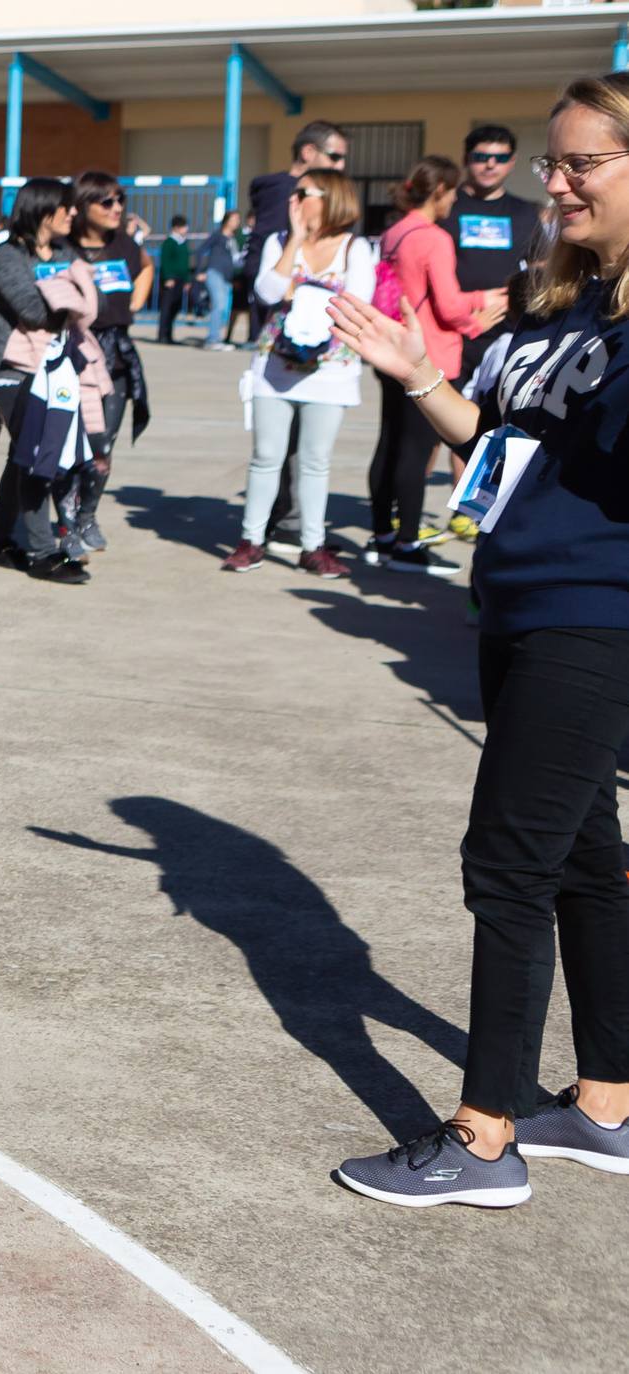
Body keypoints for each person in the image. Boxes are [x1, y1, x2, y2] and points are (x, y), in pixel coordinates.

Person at [324, 72, 629, 1208]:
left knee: (507, 867)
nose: (554, 183)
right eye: (553, 163)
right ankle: (606, 1105)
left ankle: (484, 1137)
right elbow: (499, 443)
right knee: (584, 859)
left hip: (597, 618)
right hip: (513, 600)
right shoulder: (558, 299)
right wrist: (416, 376)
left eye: (579, 164)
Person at [222, 169, 372, 579]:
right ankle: (251, 540)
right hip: (275, 366)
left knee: (314, 461)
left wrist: (302, 294)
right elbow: (267, 293)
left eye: (303, 192)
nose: (294, 198)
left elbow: (360, 302)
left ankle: (313, 546)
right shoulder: (278, 242)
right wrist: (297, 240)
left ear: (330, 198)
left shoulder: (354, 248)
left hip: (330, 369)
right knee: (266, 457)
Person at [364, 154, 505, 577]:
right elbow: (448, 303)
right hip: (428, 355)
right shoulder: (433, 237)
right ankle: (407, 543)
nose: (454, 202)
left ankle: (383, 536)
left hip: (392, 348)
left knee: (389, 443)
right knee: (416, 449)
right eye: (452, 192)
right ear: (440, 191)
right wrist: (485, 303)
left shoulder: (394, 232)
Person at [0, 177, 92, 583]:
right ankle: (43, 552)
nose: (73, 214)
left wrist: (74, 294)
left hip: (61, 369)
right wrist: (74, 293)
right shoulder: (6, 257)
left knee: (22, 458)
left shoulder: (65, 251)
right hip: (14, 374)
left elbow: (100, 298)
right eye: (67, 207)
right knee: (36, 459)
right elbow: (34, 311)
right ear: (44, 210)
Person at [61, 172, 151, 560]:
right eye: (107, 202)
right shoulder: (62, 248)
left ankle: (87, 516)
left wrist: (134, 304)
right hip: (72, 354)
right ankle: (65, 522)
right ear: (82, 206)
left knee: (102, 445)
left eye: (120, 200)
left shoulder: (125, 246)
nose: (117, 208)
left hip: (115, 356)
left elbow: (146, 267)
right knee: (65, 445)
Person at [451, 124, 544, 394]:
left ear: (512, 162)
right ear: (466, 159)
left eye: (500, 158)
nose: (491, 165)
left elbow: (539, 269)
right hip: (449, 333)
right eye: (481, 157)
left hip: (504, 333)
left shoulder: (526, 212)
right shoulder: (445, 206)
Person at [248, 121, 348, 341]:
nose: (340, 166)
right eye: (334, 157)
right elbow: (265, 248)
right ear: (308, 152)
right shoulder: (285, 192)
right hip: (287, 313)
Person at [197, 210, 244, 349]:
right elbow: (201, 251)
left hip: (227, 277)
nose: (237, 222)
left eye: (238, 219)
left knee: (224, 309)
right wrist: (200, 271)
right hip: (215, 273)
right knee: (219, 306)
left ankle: (217, 338)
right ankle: (212, 340)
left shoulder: (234, 238)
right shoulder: (217, 235)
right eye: (234, 219)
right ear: (227, 220)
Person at [156, 215, 193, 343]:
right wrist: (168, 277)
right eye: (183, 226)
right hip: (171, 280)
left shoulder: (183, 243)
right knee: (166, 307)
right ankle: (162, 335)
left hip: (180, 279)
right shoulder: (169, 242)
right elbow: (165, 261)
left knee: (175, 307)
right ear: (176, 228)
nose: (186, 229)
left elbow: (186, 263)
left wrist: (187, 280)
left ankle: (170, 335)